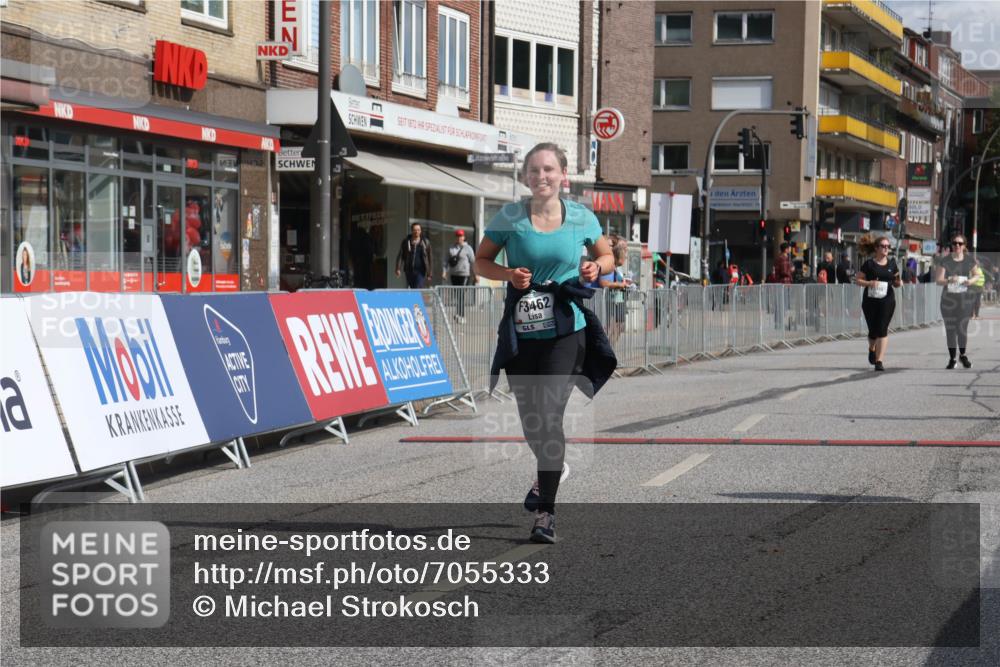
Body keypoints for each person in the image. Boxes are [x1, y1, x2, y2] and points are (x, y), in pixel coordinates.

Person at [474, 142, 616, 544]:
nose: (542, 177)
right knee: (532, 420)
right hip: (522, 334)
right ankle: (549, 470)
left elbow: (607, 257)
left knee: (550, 415)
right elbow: (481, 261)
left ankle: (546, 515)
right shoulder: (509, 217)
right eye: (534, 171)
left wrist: (593, 267)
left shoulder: (580, 218)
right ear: (525, 177)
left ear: (563, 176)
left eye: (549, 169)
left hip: (565, 330)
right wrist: (508, 275)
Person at [856, 235, 901, 371]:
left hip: (887, 300)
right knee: (873, 330)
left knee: (882, 329)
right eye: (883, 246)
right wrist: (869, 283)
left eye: (888, 246)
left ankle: (879, 360)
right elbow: (858, 280)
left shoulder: (892, 263)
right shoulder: (869, 264)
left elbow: (897, 281)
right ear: (876, 248)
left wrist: (899, 282)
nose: (886, 248)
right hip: (870, 301)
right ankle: (872, 347)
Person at [936, 235, 977, 368]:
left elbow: (977, 275)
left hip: (964, 300)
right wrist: (948, 280)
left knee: (962, 329)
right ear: (951, 245)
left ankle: (963, 355)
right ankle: (952, 358)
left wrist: (970, 281)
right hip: (948, 300)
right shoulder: (945, 261)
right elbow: (938, 280)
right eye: (954, 243)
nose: (957, 246)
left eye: (960, 243)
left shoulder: (969, 260)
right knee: (950, 329)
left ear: (964, 246)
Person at [442, 229, 477, 322]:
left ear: (464, 237)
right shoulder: (451, 248)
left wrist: (476, 275)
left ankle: (461, 315)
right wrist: (444, 272)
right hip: (454, 274)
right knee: (457, 295)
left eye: (461, 236)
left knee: (461, 294)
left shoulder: (468, 248)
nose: (459, 238)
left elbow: (473, 262)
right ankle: (458, 314)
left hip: (464, 274)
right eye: (457, 236)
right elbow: (446, 261)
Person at [599, 242, 629, 346]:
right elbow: (604, 283)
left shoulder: (618, 268)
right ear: (618, 256)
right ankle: (608, 348)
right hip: (611, 300)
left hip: (619, 299)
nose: (625, 259)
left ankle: (610, 348)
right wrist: (620, 285)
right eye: (624, 256)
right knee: (610, 327)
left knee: (620, 326)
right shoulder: (610, 267)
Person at [395, 222, 433, 288]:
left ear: (420, 231)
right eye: (415, 230)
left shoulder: (425, 242)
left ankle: (417, 298)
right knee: (412, 289)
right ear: (412, 231)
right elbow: (401, 256)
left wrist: (429, 273)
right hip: (409, 271)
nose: (416, 232)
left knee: (418, 288)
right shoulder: (406, 242)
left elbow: (430, 258)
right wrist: (398, 268)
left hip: (420, 271)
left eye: (418, 230)